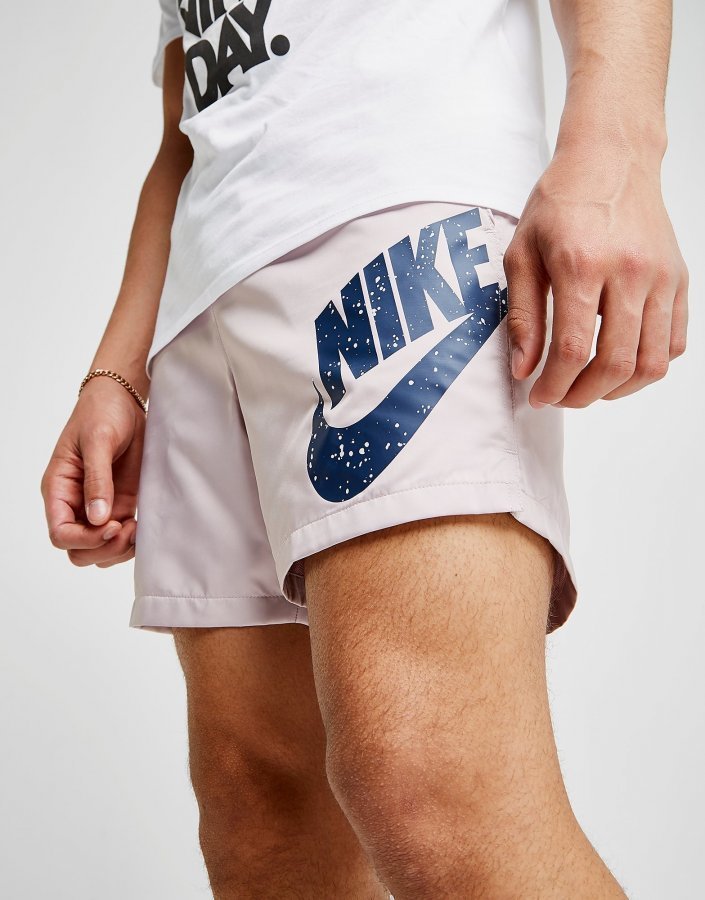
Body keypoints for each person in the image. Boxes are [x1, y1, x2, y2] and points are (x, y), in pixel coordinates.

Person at [41, 0, 688, 896]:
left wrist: (613, 153)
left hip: (397, 204)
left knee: (430, 785)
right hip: (202, 304)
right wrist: (117, 373)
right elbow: (186, 135)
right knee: (261, 817)